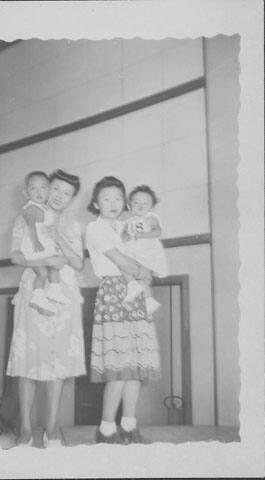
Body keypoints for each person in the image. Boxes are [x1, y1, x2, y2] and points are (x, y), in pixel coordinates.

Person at [6, 169, 86, 448]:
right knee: (28, 360)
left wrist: (59, 237)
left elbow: (78, 264)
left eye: (67, 193)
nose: (60, 196)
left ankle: (52, 428)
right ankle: (26, 429)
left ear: (71, 198)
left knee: (58, 363)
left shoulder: (73, 225)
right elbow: (15, 256)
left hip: (64, 291)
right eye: (56, 190)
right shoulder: (26, 216)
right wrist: (46, 260)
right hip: (35, 288)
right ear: (46, 189)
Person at [86, 176, 161, 445]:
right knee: (118, 368)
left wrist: (147, 270)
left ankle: (129, 426)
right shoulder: (94, 229)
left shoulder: (127, 225)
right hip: (114, 294)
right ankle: (106, 429)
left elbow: (148, 248)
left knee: (136, 368)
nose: (113, 203)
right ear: (96, 203)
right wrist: (142, 270)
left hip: (137, 292)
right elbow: (120, 260)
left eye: (118, 198)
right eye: (106, 198)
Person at [20, 171, 69, 314]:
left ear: (49, 190)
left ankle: (54, 290)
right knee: (42, 273)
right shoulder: (31, 208)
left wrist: (54, 242)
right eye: (33, 188)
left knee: (53, 268)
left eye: (43, 187)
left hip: (45, 246)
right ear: (26, 192)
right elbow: (30, 227)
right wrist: (35, 242)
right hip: (34, 247)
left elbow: (49, 230)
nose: (38, 192)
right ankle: (38, 296)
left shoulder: (46, 209)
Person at [121, 184, 169, 314]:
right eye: (136, 203)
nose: (140, 205)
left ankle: (148, 300)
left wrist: (142, 235)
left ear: (151, 206)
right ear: (130, 206)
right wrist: (126, 234)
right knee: (133, 276)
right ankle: (143, 297)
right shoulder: (128, 221)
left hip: (148, 253)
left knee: (143, 278)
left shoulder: (151, 218)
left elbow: (157, 232)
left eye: (145, 203)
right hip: (133, 253)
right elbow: (123, 237)